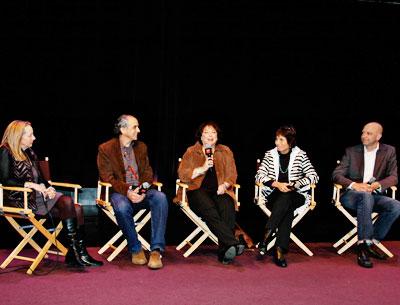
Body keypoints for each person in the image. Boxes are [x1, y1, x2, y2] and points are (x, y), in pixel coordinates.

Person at [0, 120, 103, 268]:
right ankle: (73, 254)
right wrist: (30, 185)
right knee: (69, 203)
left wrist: (48, 188)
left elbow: (42, 179)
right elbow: (4, 180)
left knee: (76, 207)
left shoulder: (30, 153)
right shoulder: (5, 151)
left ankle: (79, 253)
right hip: (19, 199)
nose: (34, 138)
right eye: (30, 135)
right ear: (18, 136)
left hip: (37, 197)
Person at [97, 114, 168, 270]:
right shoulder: (105, 149)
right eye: (135, 126)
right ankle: (135, 248)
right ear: (123, 129)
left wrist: (142, 190)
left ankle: (156, 250)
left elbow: (148, 173)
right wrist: (128, 191)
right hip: (119, 192)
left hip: (140, 190)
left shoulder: (141, 147)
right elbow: (107, 178)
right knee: (121, 207)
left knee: (160, 197)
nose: (138, 130)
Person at [175, 121, 245, 264]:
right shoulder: (191, 151)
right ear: (200, 136)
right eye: (206, 133)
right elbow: (182, 174)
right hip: (196, 191)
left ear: (217, 136)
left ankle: (224, 252)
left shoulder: (225, 151)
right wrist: (202, 168)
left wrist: (225, 185)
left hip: (219, 191)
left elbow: (232, 175)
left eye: (213, 132)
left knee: (227, 205)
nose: (210, 136)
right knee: (209, 208)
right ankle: (233, 242)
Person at [332, 121, 400, 268]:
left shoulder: (389, 151)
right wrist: (355, 185)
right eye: (363, 132)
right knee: (364, 196)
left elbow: (394, 176)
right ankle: (363, 247)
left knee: (395, 205)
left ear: (378, 136)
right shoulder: (351, 151)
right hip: (352, 195)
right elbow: (336, 174)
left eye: (368, 133)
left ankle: (370, 242)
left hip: (374, 194)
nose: (364, 136)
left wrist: (378, 185)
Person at [255, 125, 319, 267]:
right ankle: (279, 249)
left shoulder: (301, 155)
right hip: (274, 194)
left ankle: (266, 236)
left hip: (296, 194)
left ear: (290, 142)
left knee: (287, 197)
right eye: (277, 139)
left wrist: (295, 184)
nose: (277, 142)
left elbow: (314, 176)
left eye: (281, 139)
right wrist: (277, 184)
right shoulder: (269, 154)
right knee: (286, 205)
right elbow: (259, 176)